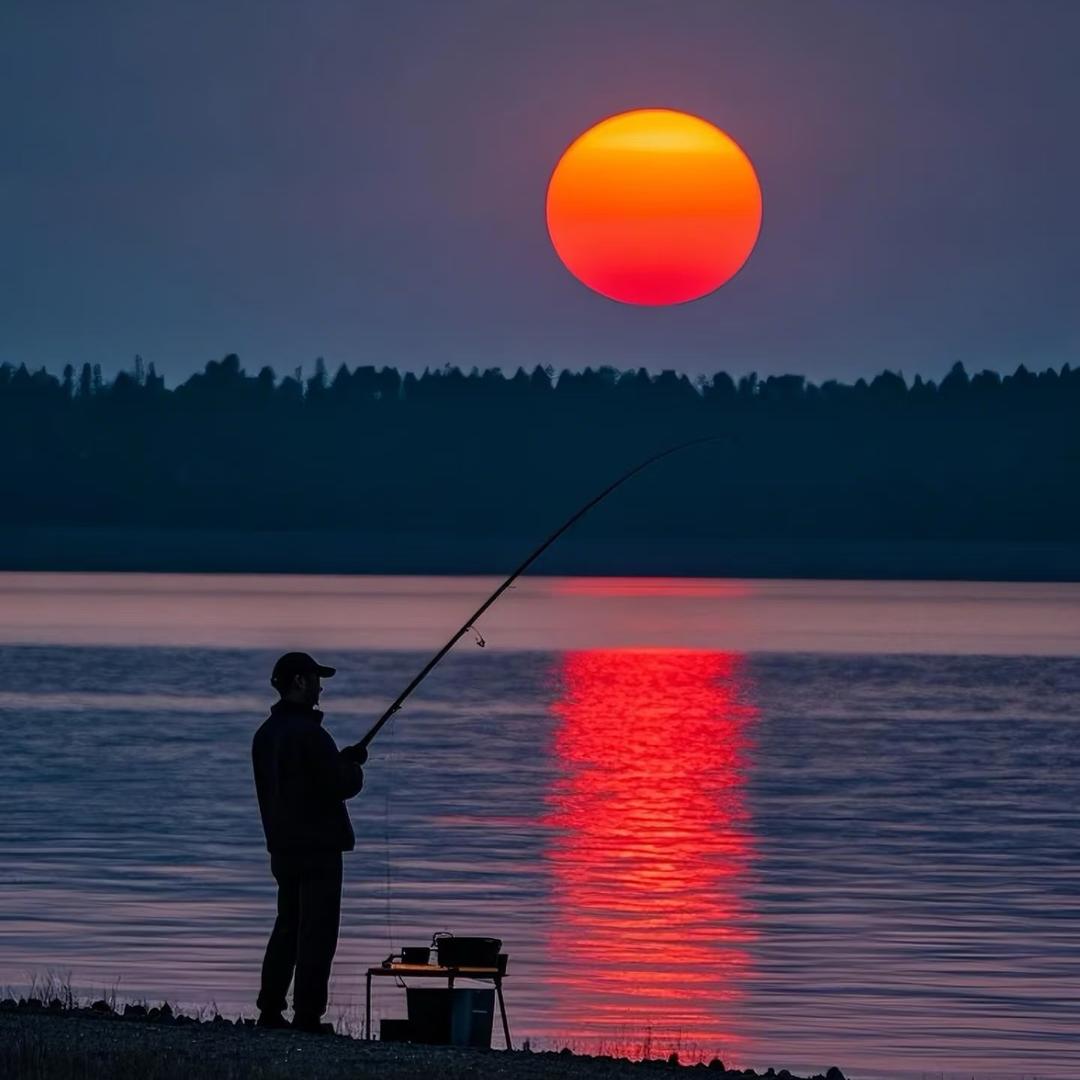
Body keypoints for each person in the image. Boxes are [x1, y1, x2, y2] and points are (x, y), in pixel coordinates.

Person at [252, 651, 367, 1034]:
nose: (321, 687)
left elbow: (305, 779)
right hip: (318, 849)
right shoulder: (310, 734)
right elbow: (338, 784)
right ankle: (307, 1015)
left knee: (288, 926)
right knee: (317, 932)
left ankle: (270, 1009)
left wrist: (341, 760)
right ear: (299, 682)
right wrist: (352, 768)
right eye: (316, 679)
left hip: (282, 848)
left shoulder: (266, 735)